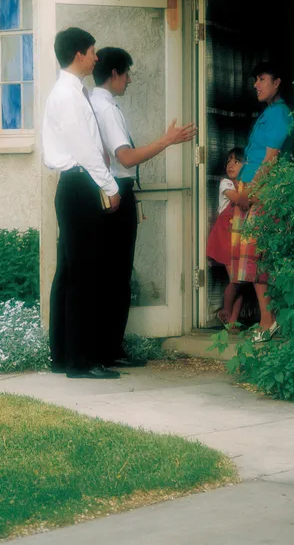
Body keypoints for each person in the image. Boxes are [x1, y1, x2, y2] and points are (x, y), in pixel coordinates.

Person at [90, 47, 197, 367]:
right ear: (114, 75)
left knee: (109, 272)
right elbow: (126, 158)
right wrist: (167, 141)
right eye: (127, 73)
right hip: (114, 191)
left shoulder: (95, 103)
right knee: (117, 273)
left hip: (106, 192)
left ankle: (107, 348)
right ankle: (109, 349)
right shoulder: (106, 108)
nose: (130, 80)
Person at [42, 28, 123, 379]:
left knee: (70, 272)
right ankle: (82, 360)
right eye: (93, 51)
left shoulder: (71, 91)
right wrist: (110, 185)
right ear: (79, 54)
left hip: (74, 184)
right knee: (85, 273)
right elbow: (85, 148)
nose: (96, 57)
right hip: (80, 183)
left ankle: (63, 354)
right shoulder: (69, 95)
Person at [226, 62, 294, 341]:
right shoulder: (269, 113)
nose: (256, 84)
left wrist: (249, 193)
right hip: (253, 190)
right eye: (255, 79)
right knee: (253, 259)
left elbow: (270, 160)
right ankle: (268, 320)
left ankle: (269, 322)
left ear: (277, 82)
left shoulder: (280, 115)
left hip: (263, 192)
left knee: (259, 257)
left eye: (262, 79)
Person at [206, 148, 245, 325]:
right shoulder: (226, 184)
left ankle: (232, 322)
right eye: (229, 161)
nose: (231, 165)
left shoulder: (246, 185)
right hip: (226, 236)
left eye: (236, 161)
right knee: (236, 279)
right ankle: (226, 311)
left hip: (241, 237)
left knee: (242, 281)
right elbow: (239, 200)